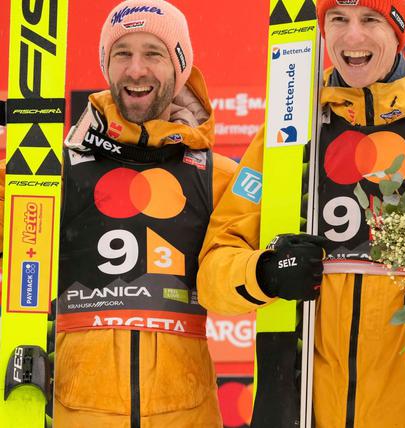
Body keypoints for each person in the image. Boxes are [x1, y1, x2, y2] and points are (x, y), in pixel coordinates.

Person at [196, 0, 405, 426]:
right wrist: (264, 272)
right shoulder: (287, 138)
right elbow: (214, 271)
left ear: (398, 31)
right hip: (308, 412)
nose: (352, 37)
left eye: (370, 19)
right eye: (338, 19)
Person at [0, 0, 237, 425]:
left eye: (153, 53)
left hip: (185, 413)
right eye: (122, 53)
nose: (136, 69)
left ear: (180, 66)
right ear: (106, 66)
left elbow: (240, 276)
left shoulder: (217, 176)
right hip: (82, 411)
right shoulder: (57, 170)